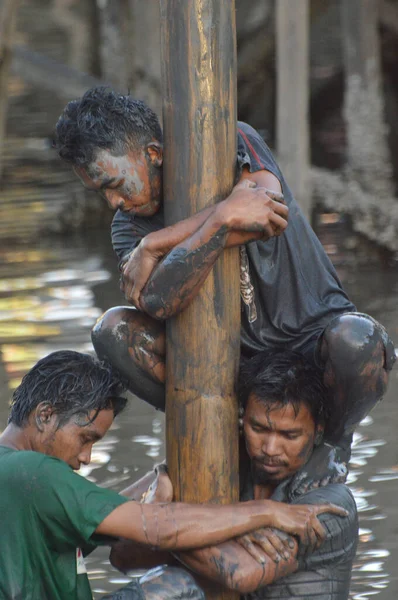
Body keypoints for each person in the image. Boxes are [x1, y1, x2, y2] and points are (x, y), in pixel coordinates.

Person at [54, 86, 395, 492]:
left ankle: (335, 445)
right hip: (234, 370)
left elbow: (267, 211)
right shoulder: (128, 228)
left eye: (115, 184)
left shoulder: (232, 140)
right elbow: (160, 301)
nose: (113, 201)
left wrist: (159, 244)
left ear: (153, 154)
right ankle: (220, 427)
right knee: (111, 332)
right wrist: (221, 221)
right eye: (101, 193)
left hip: (311, 339)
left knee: (359, 339)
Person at [0, 350, 345, 600]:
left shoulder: (17, 474)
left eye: (288, 435)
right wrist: (267, 513)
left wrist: (159, 479)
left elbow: (108, 521)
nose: (86, 457)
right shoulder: (35, 472)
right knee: (175, 588)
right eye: (85, 438)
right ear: (44, 416)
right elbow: (156, 527)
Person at [111, 351, 358, 599]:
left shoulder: (330, 504)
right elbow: (122, 554)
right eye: (258, 428)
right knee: (165, 585)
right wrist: (163, 485)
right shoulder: (214, 471)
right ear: (241, 419)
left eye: (289, 436)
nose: (270, 449)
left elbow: (240, 572)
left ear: (317, 432)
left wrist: (161, 513)